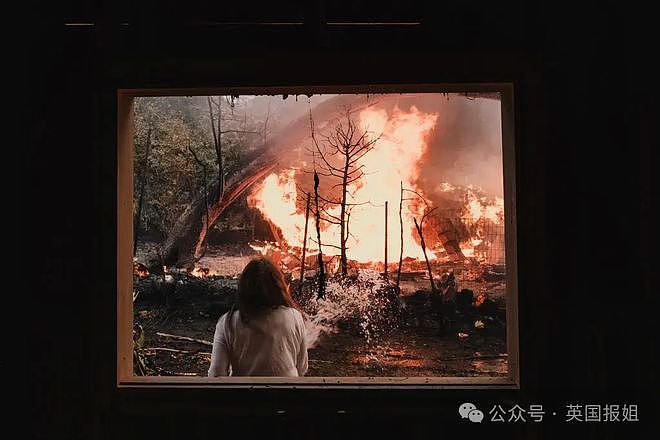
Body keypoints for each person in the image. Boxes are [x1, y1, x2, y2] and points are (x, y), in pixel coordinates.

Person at [208, 256, 308, 377]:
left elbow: (216, 374)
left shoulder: (227, 322)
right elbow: (302, 368)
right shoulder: (294, 317)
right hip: (286, 394)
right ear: (278, 286)